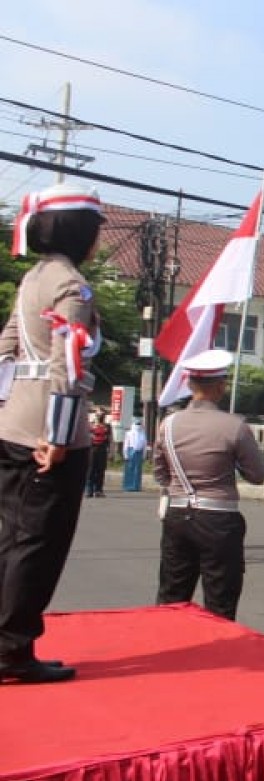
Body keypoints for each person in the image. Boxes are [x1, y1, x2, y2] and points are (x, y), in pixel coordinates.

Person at [0, 183, 106, 684]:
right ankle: (13, 651)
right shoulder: (72, 286)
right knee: (39, 545)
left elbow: (5, 348)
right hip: (51, 430)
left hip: (13, 423)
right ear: (81, 231)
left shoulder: (31, 281)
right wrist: (59, 436)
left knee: (8, 539)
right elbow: (69, 361)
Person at [154, 350, 264, 621]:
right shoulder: (235, 426)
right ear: (221, 386)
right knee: (220, 599)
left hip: (178, 515)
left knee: (172, 595)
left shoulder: (167, 425)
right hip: (218, 518)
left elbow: (160, 473)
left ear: (190, 385)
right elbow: (257, 475)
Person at [85, 407, 112, 497]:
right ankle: (89, 490)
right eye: (99, 414)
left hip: (102, 449)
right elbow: (87, 437)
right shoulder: (91, 426)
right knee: (91, 470)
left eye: (102, 414)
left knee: (100, 470)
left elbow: (109, 439)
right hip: (92, 449)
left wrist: (109, 451)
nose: (100, 416)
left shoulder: (107, 426)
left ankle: (98, 490)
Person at [122, 417, 147, 491]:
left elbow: (145, 445)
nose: (138, 425)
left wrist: (144, 455)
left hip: (139, 452)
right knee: (130, 469)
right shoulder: (129, 433)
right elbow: (126, 444)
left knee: (138, 470)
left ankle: (136, 486)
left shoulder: (143, 433)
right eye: (137, 424)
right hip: (131, 451)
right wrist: (125, 454)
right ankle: (128, 486)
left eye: (139, 424)